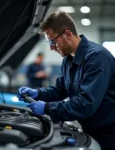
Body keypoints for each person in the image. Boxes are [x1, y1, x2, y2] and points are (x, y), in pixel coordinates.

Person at [17, 11, 115, 150]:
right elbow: (60, 90)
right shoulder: (68, 60)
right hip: (90, 130)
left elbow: (85, 104)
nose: (51, 48)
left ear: (67, 34)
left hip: (109, 135)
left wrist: (46, 108)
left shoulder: (98, 58)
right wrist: (37, 93)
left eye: (53, 41)